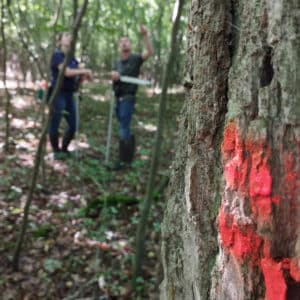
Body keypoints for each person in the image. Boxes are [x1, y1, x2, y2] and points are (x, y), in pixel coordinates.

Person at [111, 25, 154, 169]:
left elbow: (149, 52)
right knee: (124, 127)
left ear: (130, 45)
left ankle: (124, 161)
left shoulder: (135, 59)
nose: (124, 43)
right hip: (118, 99)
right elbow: (115, 78)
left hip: (128, 99)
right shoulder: (118, 63)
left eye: (127, 41)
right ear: (119, 46)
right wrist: (114, 77)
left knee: (124, 127)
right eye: (122, 41)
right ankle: (128, 157)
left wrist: (146, 35)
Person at [48, 32, 92, 160]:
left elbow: (81, 77)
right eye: (66, 36)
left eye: (70, 37)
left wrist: (84, 75)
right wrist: (83, 70)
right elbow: (66, 72)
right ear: (60, 40)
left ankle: (64, 149)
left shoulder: (72, 58)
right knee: (55, 123)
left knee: (74, 125)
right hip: (58, 93)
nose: (69, 38)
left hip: (70, 94)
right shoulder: (57, 55)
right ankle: (56, 151)